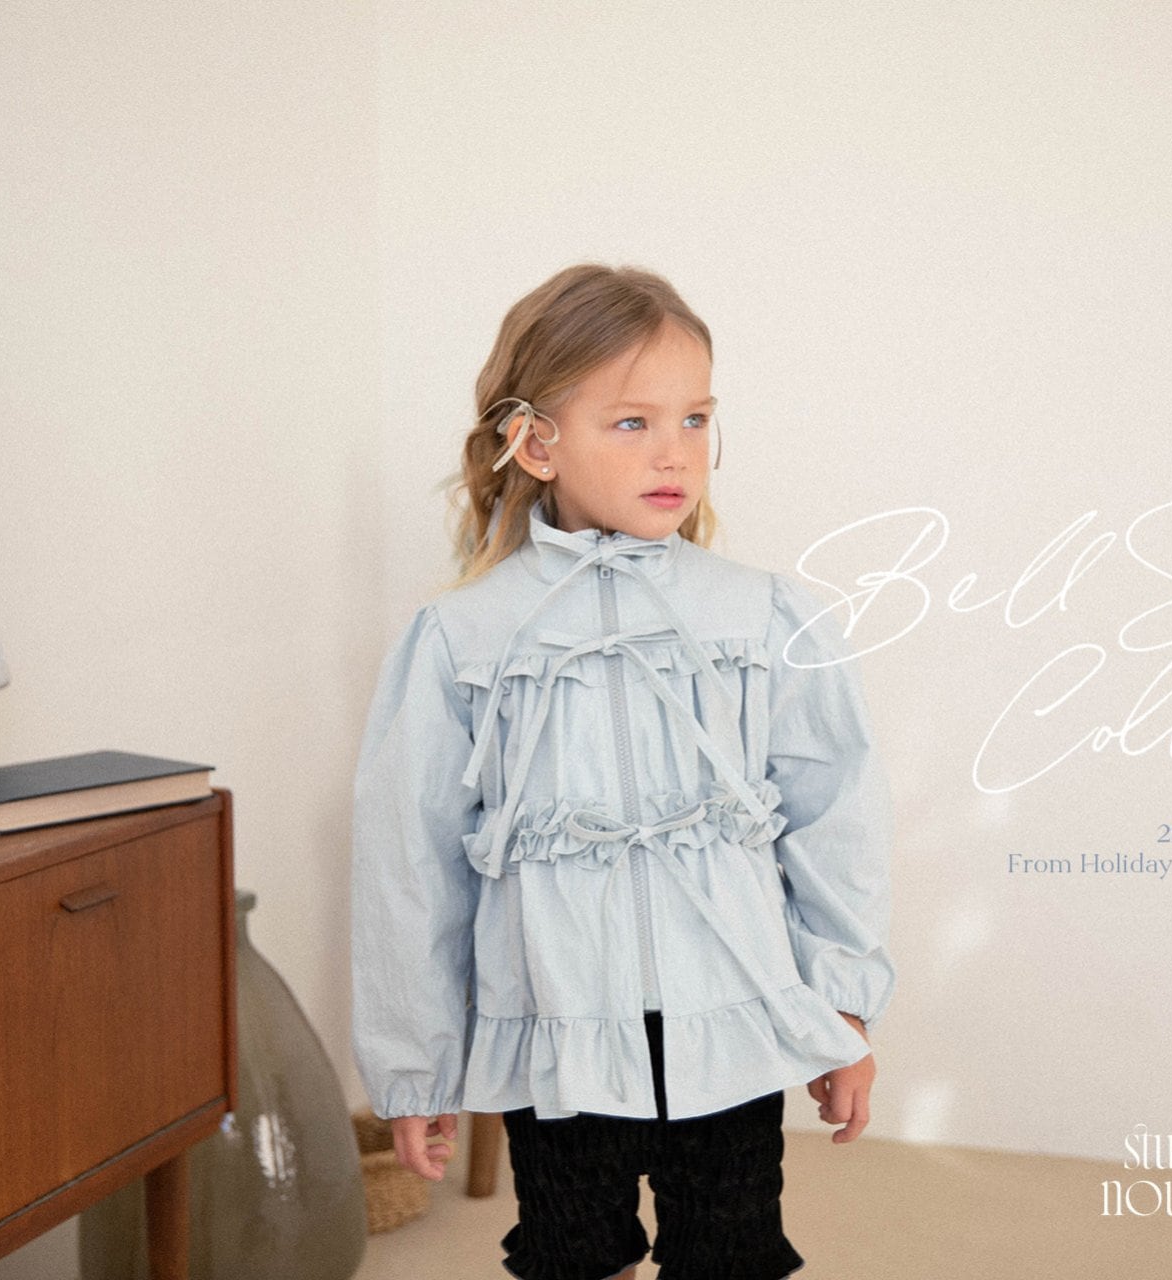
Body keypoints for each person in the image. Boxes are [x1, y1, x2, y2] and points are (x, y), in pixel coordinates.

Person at [351, 263, 896, 1280]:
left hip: (733, 1021)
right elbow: (409, 865)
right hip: (555, 1032)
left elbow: (836, 821)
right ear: (536, 442)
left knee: (730, 1252)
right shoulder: (462, 637)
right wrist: (414, 1062)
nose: (674, 452)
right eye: (633, 422)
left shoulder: (762, 615)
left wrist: (841, 1006)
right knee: (570, 1255)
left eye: (695, 419)